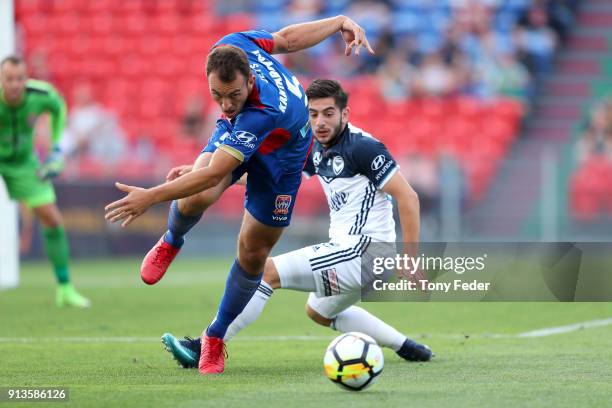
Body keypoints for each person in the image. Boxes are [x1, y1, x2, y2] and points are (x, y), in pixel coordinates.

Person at [104, 16, 375, 374]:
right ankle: (172, 239)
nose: (226, 104)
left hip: (281, 163)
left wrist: (150, 197)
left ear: (250, 81)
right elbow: (287, 39)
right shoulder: (236, 45)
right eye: (217, 95)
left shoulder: (261, 111)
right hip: (243, 135)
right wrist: (338, 21)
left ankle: (215, 337)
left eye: (233, 95)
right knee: (194, 197)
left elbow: (215, 173)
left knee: (253, 253)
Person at [161, 79, 432, 370]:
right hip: (350, 255)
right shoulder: (314, 148)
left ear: (346, 114)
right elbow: (269, 179)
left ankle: (205, 344)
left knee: (265, 272)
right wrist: (199, 173)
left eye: (328, 113)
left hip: (365, 253)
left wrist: (409, 257)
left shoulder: (364, 148)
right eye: (313, 114)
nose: (320, 121)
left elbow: (409, 197)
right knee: (318, 312)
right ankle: (406, 346)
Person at [0, 56, 90, 308]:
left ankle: (65, 288)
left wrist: (56, 150)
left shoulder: (40, 94)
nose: (16, 85)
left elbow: (58, 107)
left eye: (20, 78)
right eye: (9, 79)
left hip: (24, 164)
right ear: (2, 80)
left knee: (51, 217)